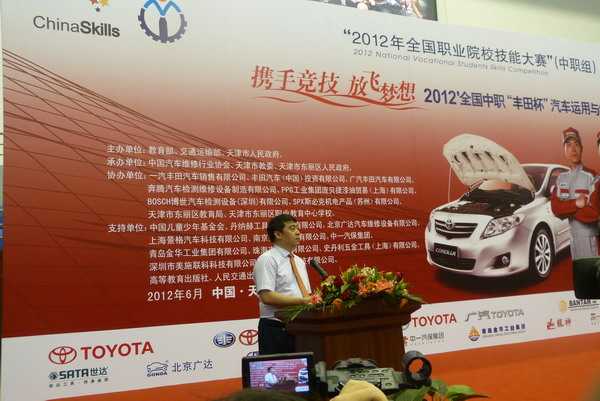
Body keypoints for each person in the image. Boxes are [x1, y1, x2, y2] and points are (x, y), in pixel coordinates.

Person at [254, 214, 311, 355]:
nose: (298, 232)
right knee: (278, 368)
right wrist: (302, 301)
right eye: (292, 228)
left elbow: (305, 294)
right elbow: (267, 296)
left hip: (301, 326)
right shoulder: (267, 259)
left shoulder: (299, 261)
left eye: (297, 228)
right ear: (278, 234)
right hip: (276, 328)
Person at [551, 127, 599, 259]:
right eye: (568, 145)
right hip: (572, 240)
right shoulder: (561, 178)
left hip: (589, 240)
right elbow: (556, 209)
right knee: (578, 272)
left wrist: (566, 208)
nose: (573, 149)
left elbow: (594, 213)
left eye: (576, 144)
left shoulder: (593, 176)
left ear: (581, 148)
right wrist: (576, 204)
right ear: (564, 149)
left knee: (588, 271)